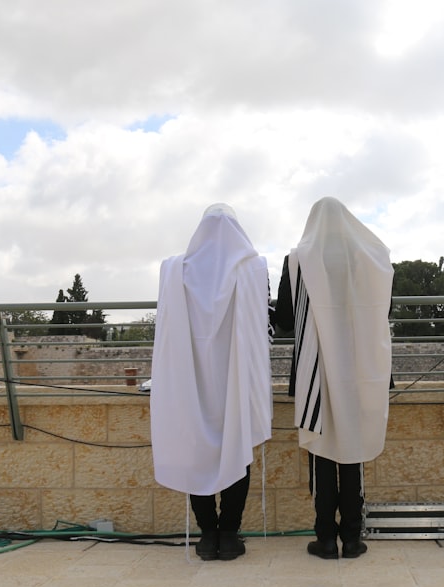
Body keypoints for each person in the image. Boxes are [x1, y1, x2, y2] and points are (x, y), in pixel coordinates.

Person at [271, 196, 394, 559]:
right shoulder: (372, 259)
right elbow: (383, 309)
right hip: (361, 368)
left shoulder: (297, 260)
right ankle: (353, 539)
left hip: (316, 369)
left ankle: (325, 538)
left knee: (322, 451)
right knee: (352, 450)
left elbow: (285, 322)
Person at [150, 203, 273, 561]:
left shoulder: (174, 270)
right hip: (235, 375)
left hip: (191, 376)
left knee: (197, 453)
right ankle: (230, 535)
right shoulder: (253, 268)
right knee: (238, 448)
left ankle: (207, 535)